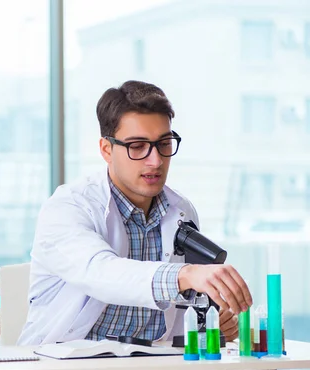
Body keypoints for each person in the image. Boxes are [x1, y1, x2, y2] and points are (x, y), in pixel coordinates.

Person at [18, 80, 252, 347]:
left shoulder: (181, 211)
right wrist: (185, 274)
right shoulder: (68, 207)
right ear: (107, 149)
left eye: (164, 143)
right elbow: (101, 273)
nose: (156, 160)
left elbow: (174, 316)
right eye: (138, 146)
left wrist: (212, 321)